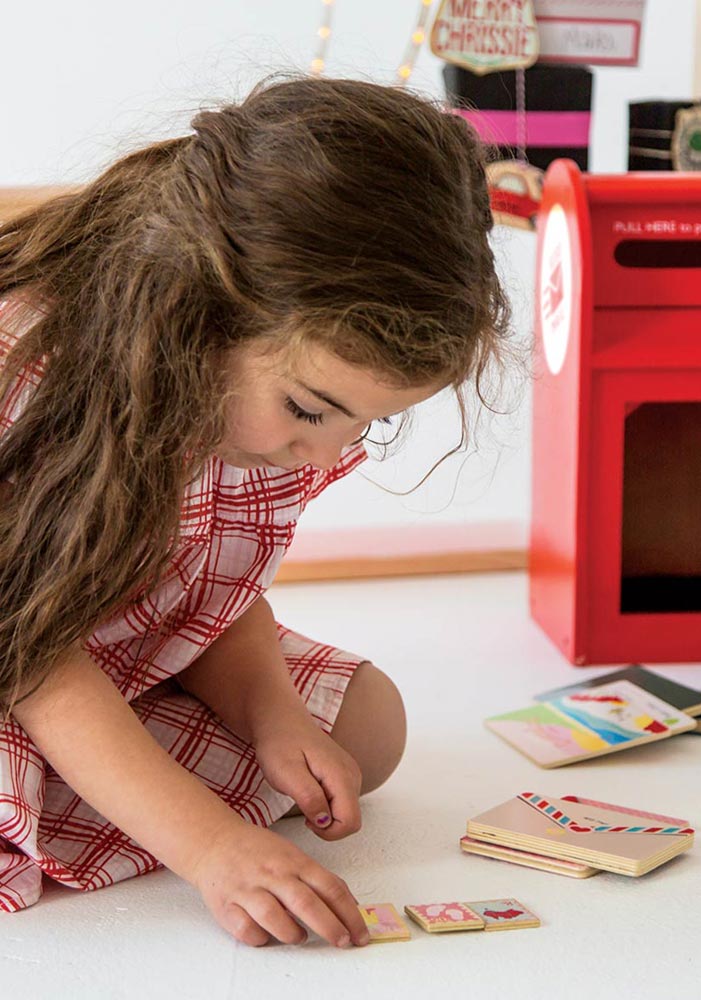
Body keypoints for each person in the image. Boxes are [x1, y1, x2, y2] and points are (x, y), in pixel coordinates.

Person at [0, 74, 512, 947]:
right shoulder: (40, 370)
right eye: (313, 411)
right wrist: (210, 846)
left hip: (97, 649)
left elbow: (204, 596)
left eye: (366, 424)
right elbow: (36, 656)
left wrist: (270, 710)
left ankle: (105, 788)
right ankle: (100, 796)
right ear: (201, 315)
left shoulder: (252, 408)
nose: (324, 453)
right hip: (28, 654)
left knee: (365, 729)